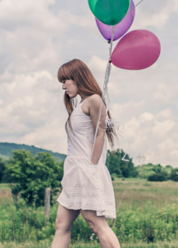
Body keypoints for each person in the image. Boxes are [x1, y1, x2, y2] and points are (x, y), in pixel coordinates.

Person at [51, 59, 120, 248]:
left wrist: (92, 167)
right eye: (62, 82)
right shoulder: (80, 105)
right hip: (74, 172)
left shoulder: (94, 100)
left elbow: (100, 134)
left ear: (79, 77)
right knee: (61, 224)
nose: (63, 86)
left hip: (86, 171)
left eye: (66, 80)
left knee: (97, 224)